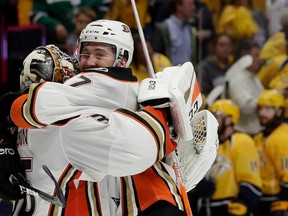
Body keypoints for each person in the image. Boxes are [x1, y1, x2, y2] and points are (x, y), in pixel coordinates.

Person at [1, 19, 201, 215]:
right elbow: (133, 149)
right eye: (85, 53)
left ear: (122, 59)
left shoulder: (18, 130)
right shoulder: (71, 125)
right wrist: (164, 118)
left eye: (99, 54)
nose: (89, 62)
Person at [193, 99, 262, 216]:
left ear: (230, 119)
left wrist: (243, 204)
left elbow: (251, 180)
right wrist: (197, 185)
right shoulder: (206, 143)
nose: (212, 120)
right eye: (212, 115)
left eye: (217, 115)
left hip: (230, 208)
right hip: (205, 208)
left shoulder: (241, 141)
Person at [253, 89, 288, 216]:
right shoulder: (259, 138)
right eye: (260, 108)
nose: (262, 113)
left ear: (279, 111)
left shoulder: (283, 137)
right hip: (262, 199)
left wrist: (284, 200)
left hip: (277, 199)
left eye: (268, 109)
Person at [30, 0, 111, 51]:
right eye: (80, 22)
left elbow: (105, 5)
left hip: (93, 37)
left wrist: (95, 24)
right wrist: (54, 25)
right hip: (58, 43)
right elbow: (35, 14)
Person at [227, 40, 264, 136]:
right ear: (245, 56)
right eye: (256, 56)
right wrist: (268, 103)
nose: (259, 60)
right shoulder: (237, 78)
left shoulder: (253, 76)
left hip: (255, 131)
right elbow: (245, 107)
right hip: (244, 133)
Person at [151, 0, 197, 66]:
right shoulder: (163, 28)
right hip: (171, 73)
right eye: (190, 4)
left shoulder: (190, 29)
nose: (193, 7)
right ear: (178, 6)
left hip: (189, 73)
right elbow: (157, 56)